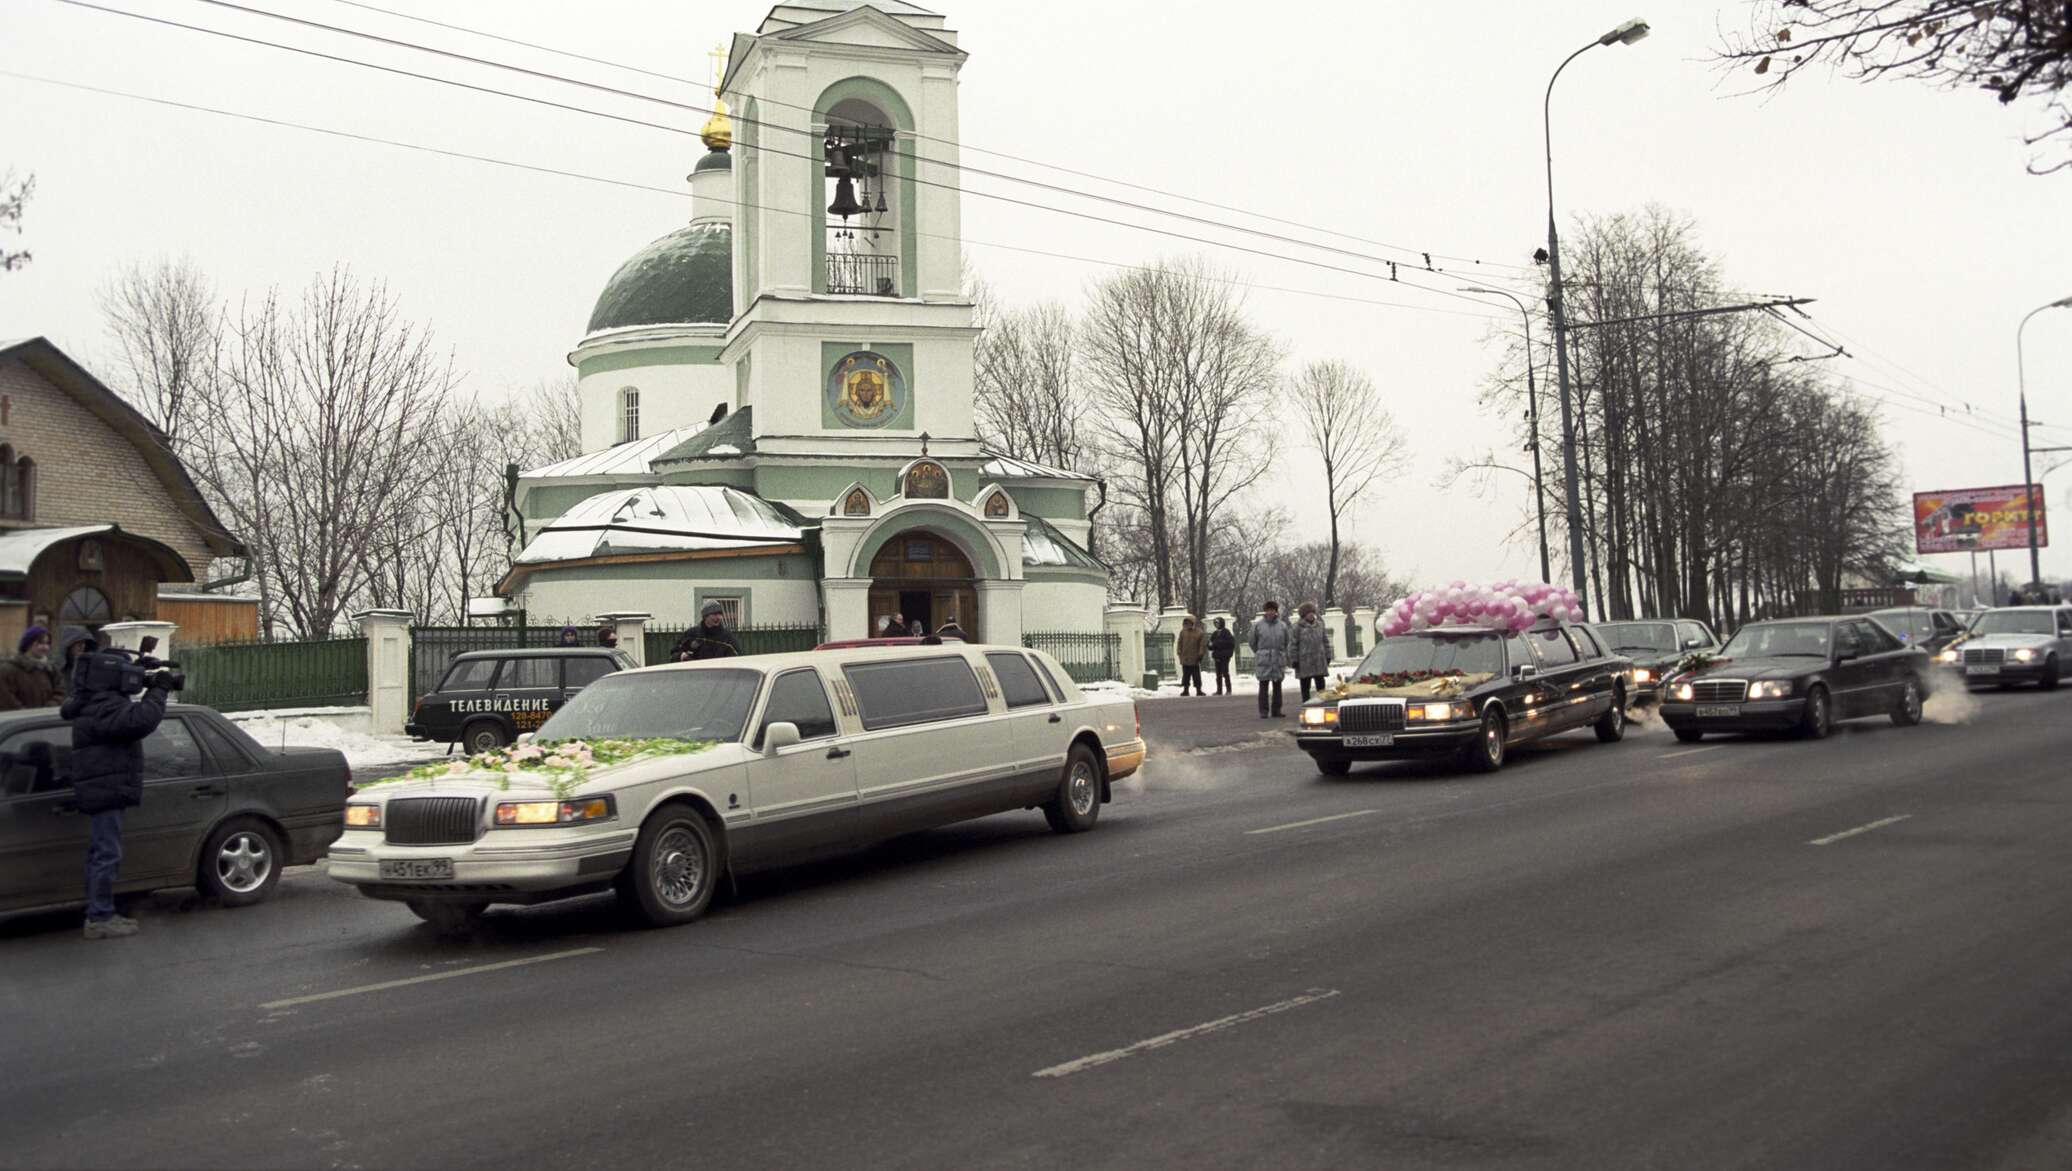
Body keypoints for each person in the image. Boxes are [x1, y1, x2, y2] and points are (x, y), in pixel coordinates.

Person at [62, 639, 175, 939]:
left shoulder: (92, 699)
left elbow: (122, 696)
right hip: (106, 788)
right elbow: (141, 720)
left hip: (104, 785)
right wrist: (159, 689)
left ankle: (99, 912)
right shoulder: (104, 706)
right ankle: (100, 917)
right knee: (106, 854)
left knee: (101, 852)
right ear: (108, 676)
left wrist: (138, 670)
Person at [0, 625, 65, 710]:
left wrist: (47, 710)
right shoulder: (8, 670)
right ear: (28, 644)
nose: (45, 647)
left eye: (47, 643)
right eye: (40, 643)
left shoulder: (52, 669)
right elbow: (7, 700)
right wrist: (29, 717)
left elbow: (60, 693)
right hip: (19, 721)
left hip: (45, 721)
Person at [1249, 601, 1292, 718]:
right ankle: (1263, 711)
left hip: (1278, 659)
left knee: (1277, 686)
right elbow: (1252, 642)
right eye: (1268, 610)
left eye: (1273, 610)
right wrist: (1260, 653)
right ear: (1265, 611)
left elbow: (1286, 641)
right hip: (1264, 660)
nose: (1270, 612)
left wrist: (1282, 653)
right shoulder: (1258, 626)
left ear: (1276, 611)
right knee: (1263, 685)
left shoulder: (1282, 626)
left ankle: (1276, 710)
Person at [671, 601, 741, 661]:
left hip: (719, 675)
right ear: (705, 616)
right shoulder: (692, 634)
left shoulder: (727, 637)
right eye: (714, 614)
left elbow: (737, 659)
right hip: (694, 674)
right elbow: (674, 653)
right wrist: (681, 655)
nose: (718, 617)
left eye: (720, 614)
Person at [1293, 602, 1331, 702]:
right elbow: (1293, 644)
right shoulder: (1297, 627)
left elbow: (1325, 641)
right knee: (1305, 686)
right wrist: (1294, 660)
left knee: (1321, 685)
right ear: (1303, 615)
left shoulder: (1320, 625)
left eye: (1312, 612)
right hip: (1305, 661)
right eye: (1308, 613)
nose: (1311, 615)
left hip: (1319, 660)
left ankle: (1322, 703)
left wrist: (1328, 655)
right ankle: (1306, 704)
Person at [1176, 615, 1206, 696]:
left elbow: (1202, 644)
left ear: (1192, 623)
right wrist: (1179, 651)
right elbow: (1180, 642)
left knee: (1196, 675)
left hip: (1195, 657)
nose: (1187, 624)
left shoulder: (1199, 632)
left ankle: (1198, 690)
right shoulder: (1183, 632)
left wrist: (1200, 654)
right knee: (1186, 675)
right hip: (1185, 657)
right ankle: (1186, 690)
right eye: (1186, 623)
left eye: (1188, 622)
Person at [1208, 617, 1236, 695]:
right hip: (1217, 656)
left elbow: (1230, 643)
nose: (1216, 625)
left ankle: (1228, 690)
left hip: (1224, 656)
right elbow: (1210, 644)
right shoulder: (1215, 633)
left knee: (1225, 673)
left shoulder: (1226, 632)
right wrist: (1210, 645)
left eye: (1218, 623)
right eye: (1215, 623)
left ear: (1221, 623)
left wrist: (1217, 644)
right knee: (1218, 674)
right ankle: (1219, 690)